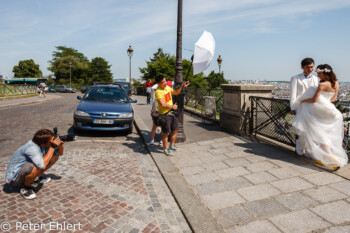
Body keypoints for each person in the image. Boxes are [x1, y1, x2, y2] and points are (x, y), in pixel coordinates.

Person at [291, 64, 348, 170]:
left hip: (319, 112)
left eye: (319, 73)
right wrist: (324, 102)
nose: (318, 75)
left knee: (319, 136)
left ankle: (332, 160)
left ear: (324, 73)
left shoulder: (322, 85)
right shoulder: (336, 83)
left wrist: (302, 100)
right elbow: (333, 99)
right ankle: (326, 158)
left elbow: (313, 100)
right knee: (325, 135)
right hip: (330, 110)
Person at [5, 129, 64, 199]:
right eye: (51, 141)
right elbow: (42, 165)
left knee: (55, 156)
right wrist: (52, 147)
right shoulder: (32, 148)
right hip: (14, 179)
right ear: (43, 143)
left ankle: (35, 178)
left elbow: (60, 153)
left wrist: (60, 145)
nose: (52, 142)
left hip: (23, 170)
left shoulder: (44, 144)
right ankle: (25, 188)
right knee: (34, 167)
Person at [290, 58, 319, 156]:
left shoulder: (316, 79)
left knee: (311, 130)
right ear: (302, 67)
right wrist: (293, 108)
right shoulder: (295, 78)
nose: (310, 69)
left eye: (312, 67)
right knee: (301, 129)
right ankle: (299, 149)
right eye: (308, 67)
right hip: (300, 107)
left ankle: (309, 150)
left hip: (312, 108)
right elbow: (292, 95)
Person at [155, 75, 190, 156]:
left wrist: (182, 86)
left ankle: (172, 145)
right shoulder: (158, 91)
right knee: (165, 132)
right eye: (163, 82)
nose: (165, 83)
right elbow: (163, 104)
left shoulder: (167, 87)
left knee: (176, 129)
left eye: (165, 81)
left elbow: (176, 92)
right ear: (158, 83)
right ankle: (166, 149)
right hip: (164, 114)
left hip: (171, 113)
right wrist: (172, 106)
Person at [149, 81, 162, 146]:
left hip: (162, 111)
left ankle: (161, 140)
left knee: (163, 126)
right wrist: (158, 83)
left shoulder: (162, 93)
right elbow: (153, 88)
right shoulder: (153, 94)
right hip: (155, 111)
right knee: (154, 126)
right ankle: (152, 139)